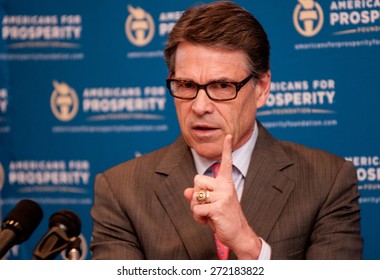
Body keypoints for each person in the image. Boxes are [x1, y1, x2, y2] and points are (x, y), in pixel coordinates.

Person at [90, 1, 363, 260]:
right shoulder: (121, 191)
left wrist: (248, 246)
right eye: (186, 85)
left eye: (221, 86)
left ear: (261, 88)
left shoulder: (328, 182)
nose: (199, 106)